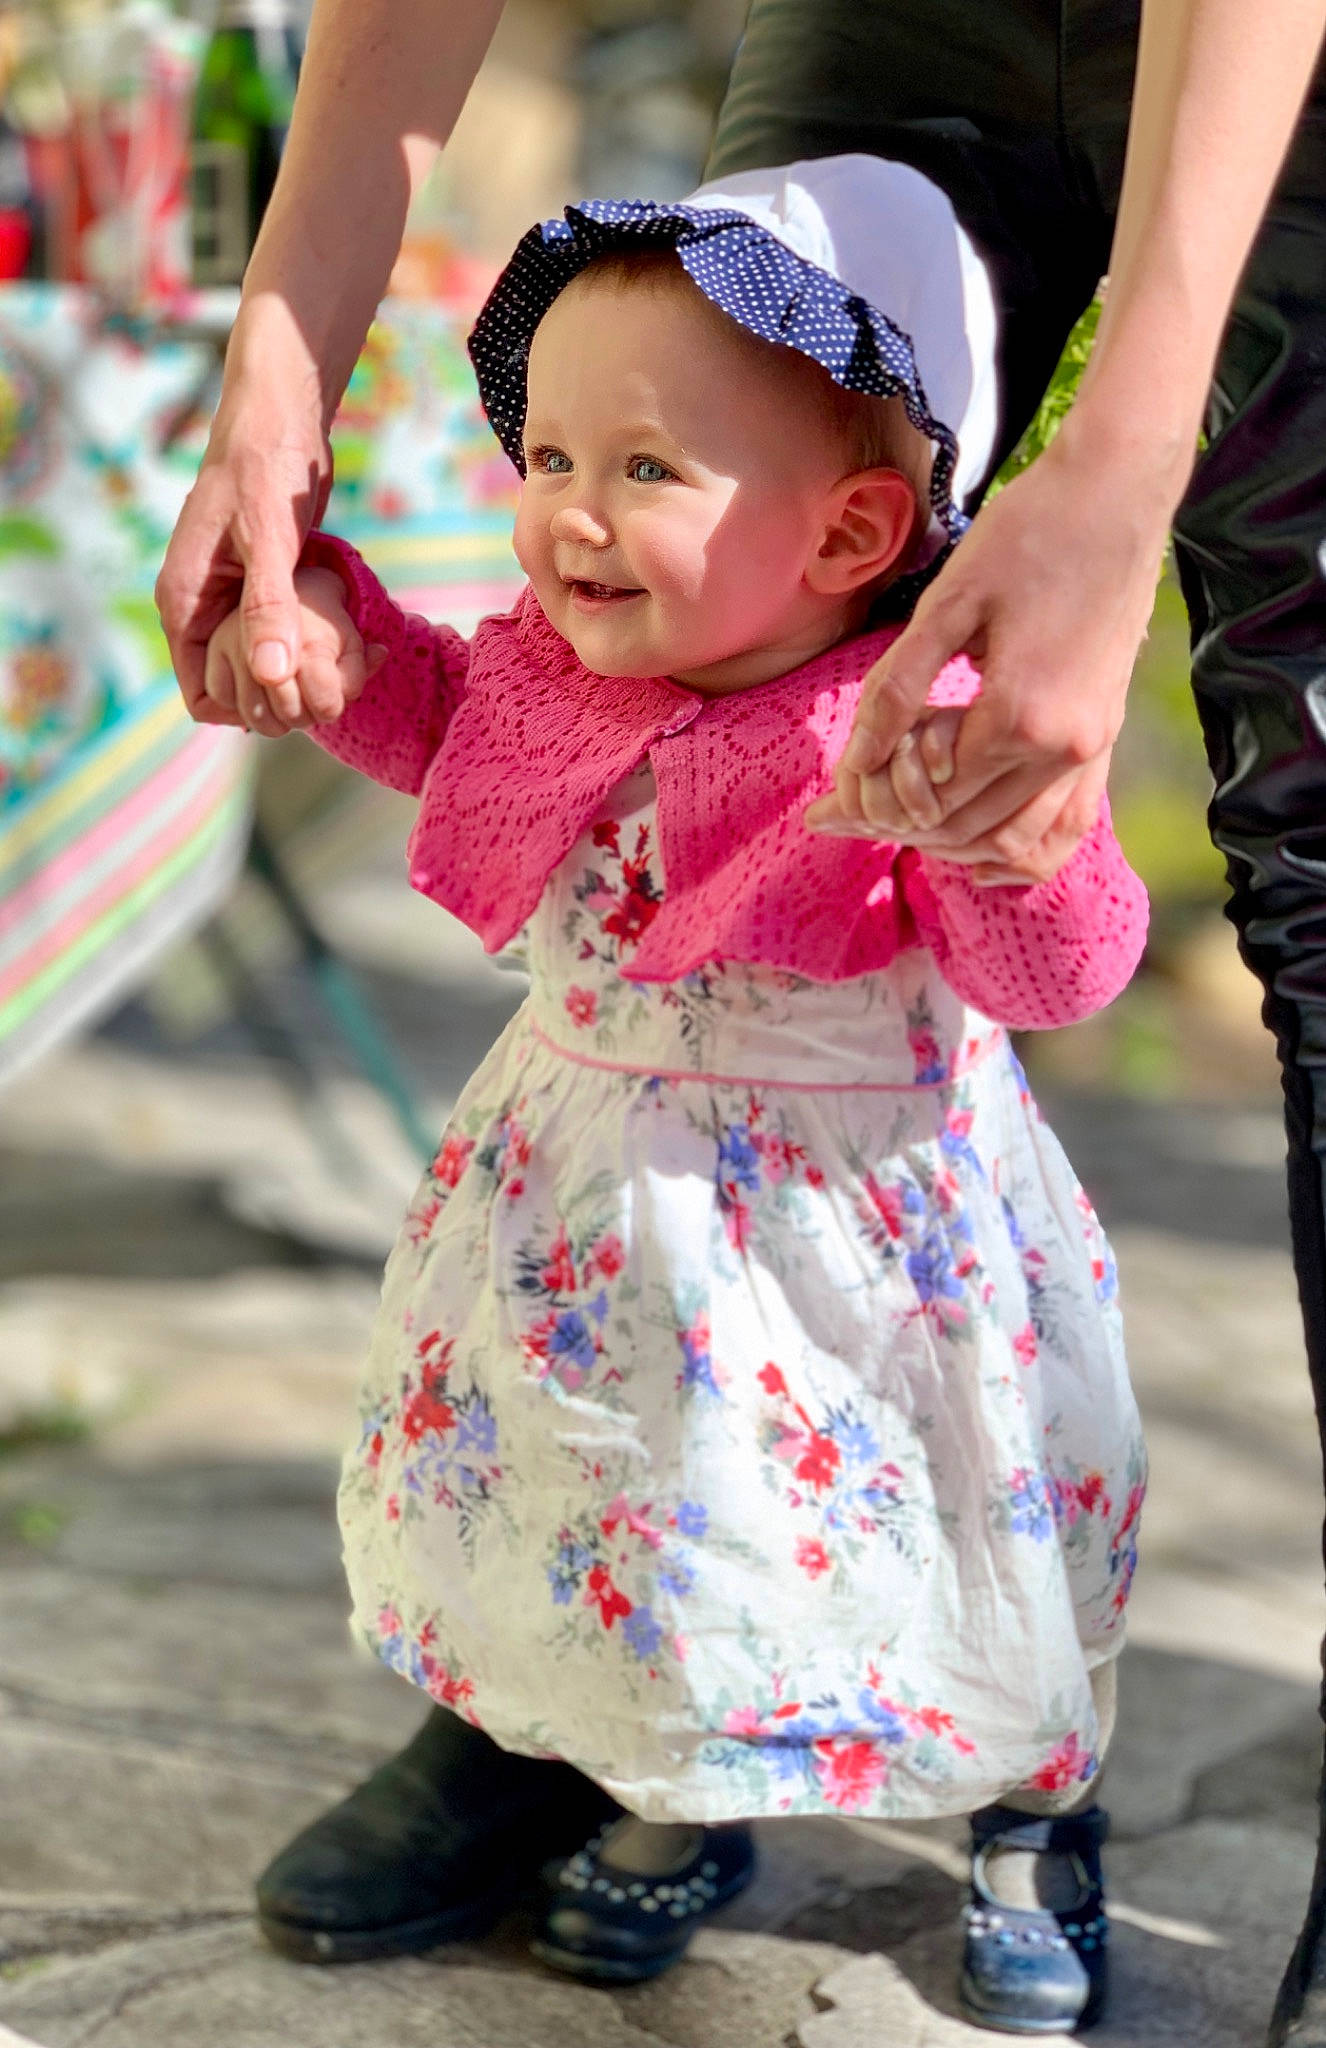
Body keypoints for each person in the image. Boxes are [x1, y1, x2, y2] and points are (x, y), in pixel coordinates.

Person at [157, 4, 1326, 2041]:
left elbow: (1055, 961)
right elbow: (460, 720)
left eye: (633, 477)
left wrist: (1013, 803)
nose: (566, 515)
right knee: (614, 1457)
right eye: (545, 462)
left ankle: (1026, 1799)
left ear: (877, 551)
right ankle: (603, 1733)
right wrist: (288, 417)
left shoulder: (889, 738)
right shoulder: (567, 663)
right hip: (615, 1209)